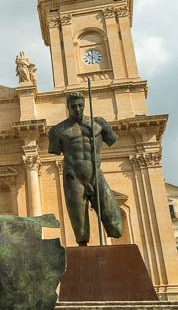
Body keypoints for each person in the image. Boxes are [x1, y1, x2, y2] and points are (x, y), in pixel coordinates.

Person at [47, 91, 123, 245]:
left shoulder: (99, 124)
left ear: (85, 105)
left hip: (96, 175)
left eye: (80, 105)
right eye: (73, 106)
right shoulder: (57, 130)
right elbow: (54, 150)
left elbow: (113, 139)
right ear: (68, 107)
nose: (77, 109)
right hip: (73, 178)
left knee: (116, 226)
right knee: (80, 229)